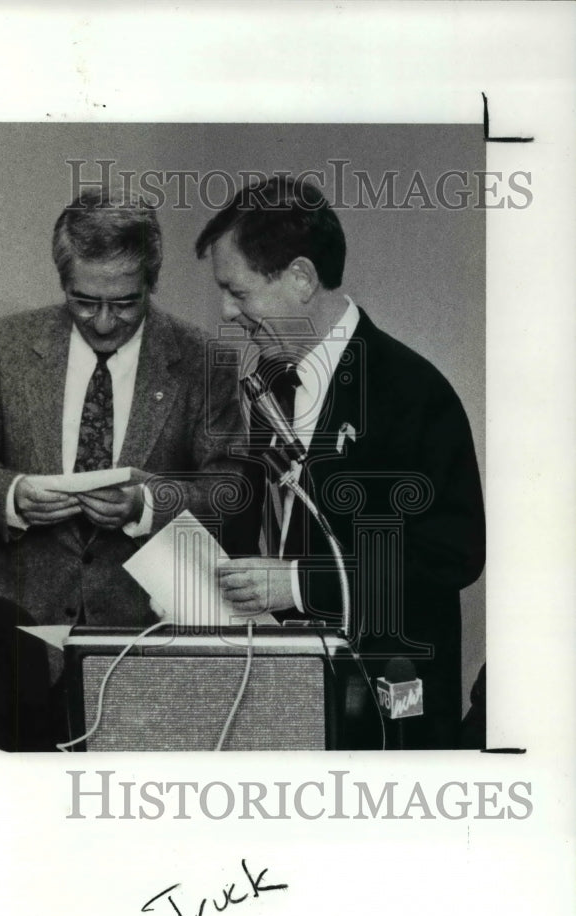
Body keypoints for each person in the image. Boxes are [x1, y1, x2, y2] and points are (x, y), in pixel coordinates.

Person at [0, 186, 250, 748]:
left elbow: (233, 487)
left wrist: (149, 502)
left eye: (125, 304)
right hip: (15, 631)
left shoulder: (204, 360)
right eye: (84, 302)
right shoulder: (7, 345)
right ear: (63, 281)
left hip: (144, 636)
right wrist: (10, 494)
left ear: (151, 284)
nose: (104, 323)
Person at [195, 175, 485, 749]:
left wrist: (302, 584)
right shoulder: (271, 388)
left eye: (239, 292)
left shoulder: (413, 392)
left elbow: (451, 555)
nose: (227, 312)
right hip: (285, 700)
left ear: (301, 278)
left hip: (388, 715)